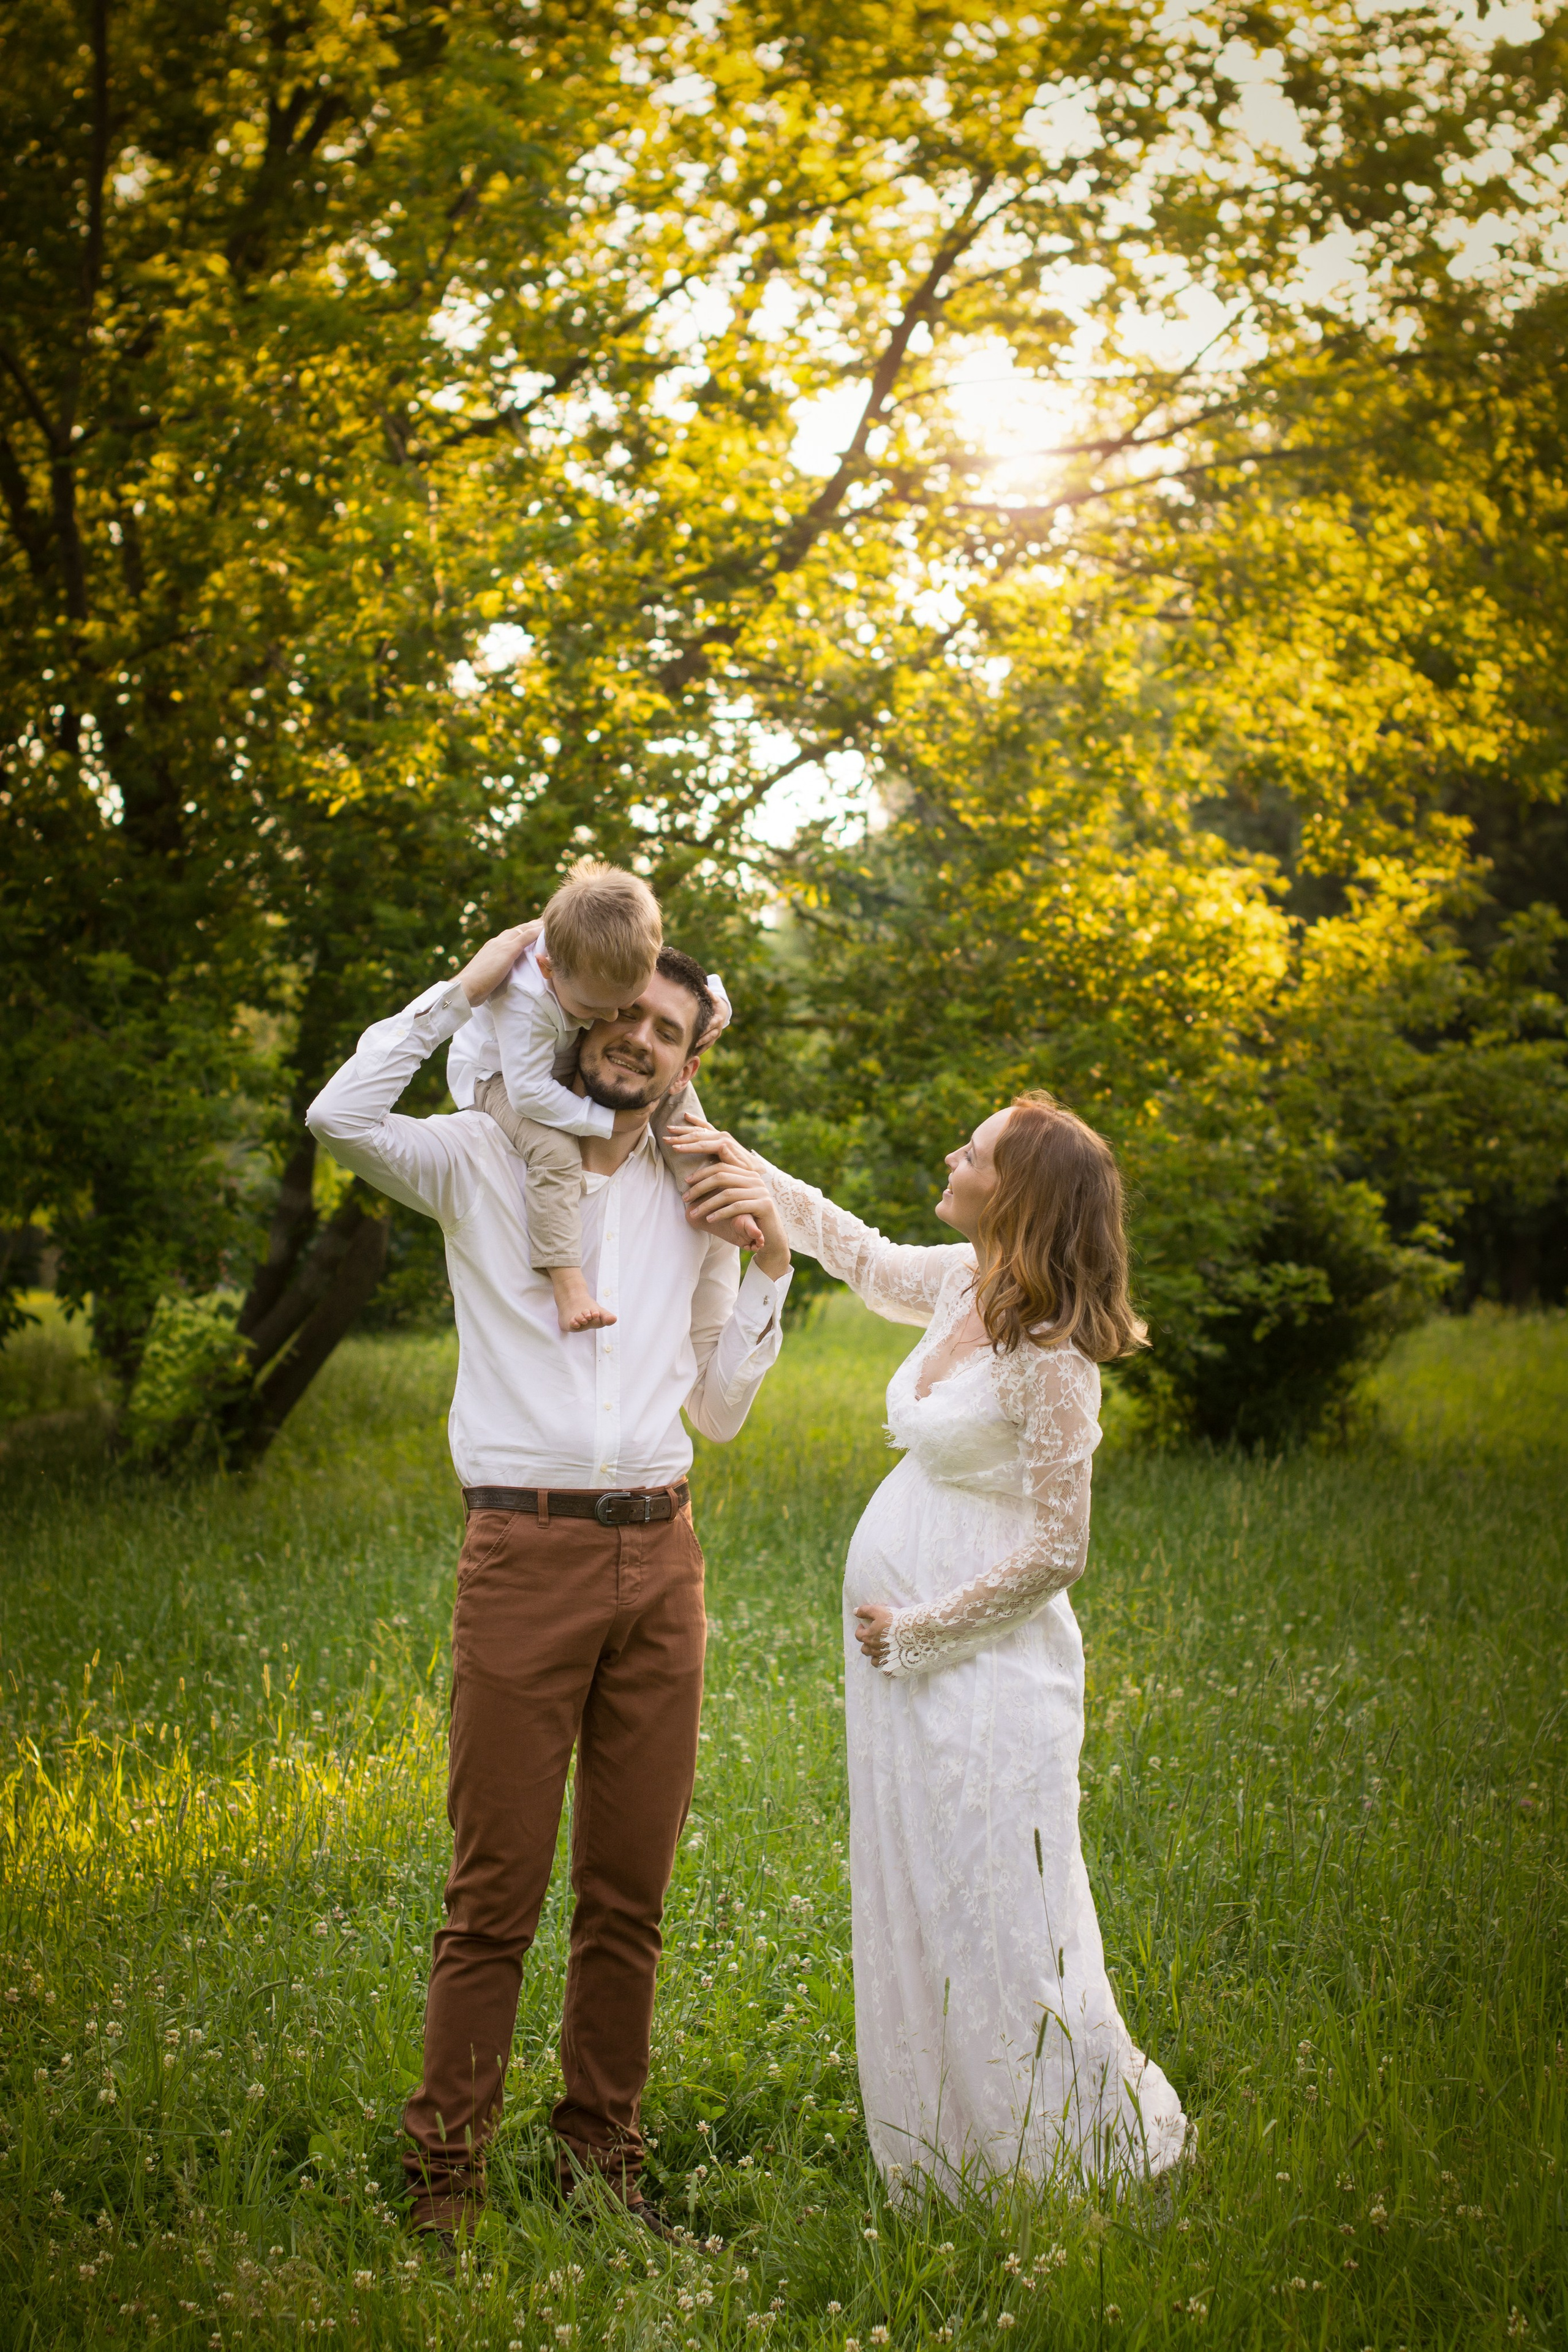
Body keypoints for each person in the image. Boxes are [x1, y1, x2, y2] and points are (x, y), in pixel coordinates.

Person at [306, 932, 793, 2242]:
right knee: (493, 1897)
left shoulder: (693, 1192)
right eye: (627, 1012)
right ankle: (444, 2188)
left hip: (662, 1560)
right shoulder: (477, 1155)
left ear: (691, 1060)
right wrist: (460, 991)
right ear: (584, 1010)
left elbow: (723, 1409)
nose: (642, 1040)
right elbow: (337, 1115)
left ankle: (601, 2173)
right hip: (522, 1556)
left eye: (671, 1033)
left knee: (627, 1898)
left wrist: (764, 1266)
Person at [674, 1095, 1187, 2195]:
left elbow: (1060, 1549)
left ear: (1021, 1194)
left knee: (1001, 1906)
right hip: (907, 1673)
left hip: (989, 1670)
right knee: (924, 1889)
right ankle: (950, 2146)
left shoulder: (1054, 1352)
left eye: (976, 1151)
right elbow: (842, 1242)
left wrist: (919, 1631)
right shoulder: (964, 1283)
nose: (952, 1156)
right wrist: (705, 1127)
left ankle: (1055, 2159)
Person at [444, 859, 744, 1335]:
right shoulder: (525, 1000)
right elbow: (529, 1096)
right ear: (548, 970)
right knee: (553, 1150)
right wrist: (602, 1123)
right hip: (499, 1078)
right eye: (598, 1008)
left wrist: (712, 1014)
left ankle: (707, 1194)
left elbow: (678, 980)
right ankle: (568, 1284)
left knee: (665, 1089)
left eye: (620, 1003)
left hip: (553, 1056)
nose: (607, 1015)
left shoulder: (597, 945)